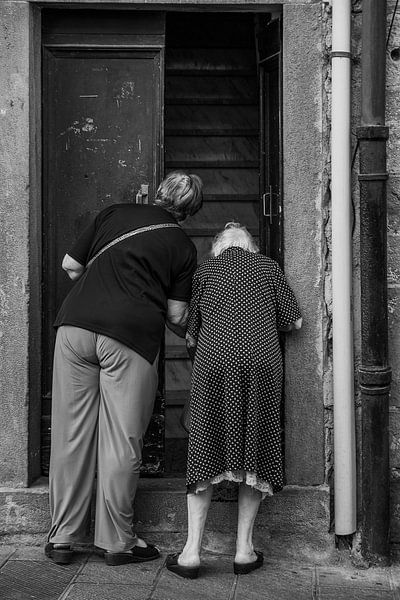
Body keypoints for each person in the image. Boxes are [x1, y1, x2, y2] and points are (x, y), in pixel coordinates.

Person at [45, 172, 203, 566]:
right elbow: (176, 313)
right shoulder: (181, 246)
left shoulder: (114, 212)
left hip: (75, 327)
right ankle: (116, 542)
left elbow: (70, 265)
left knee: (69, 434)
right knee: (121, 439)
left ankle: (62, 539)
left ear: (160, 192)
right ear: (190, 211)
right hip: (130, 338)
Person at [166, 222, 302, 579]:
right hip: (261, 364)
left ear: (218, 249)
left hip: (214, 363)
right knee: (254, 446)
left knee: (205, 446)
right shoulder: (268, 266)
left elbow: (191, 332)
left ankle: (191, 553)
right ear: (251, 247)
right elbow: (294, 320)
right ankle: (243, 551)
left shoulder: (206, 270)